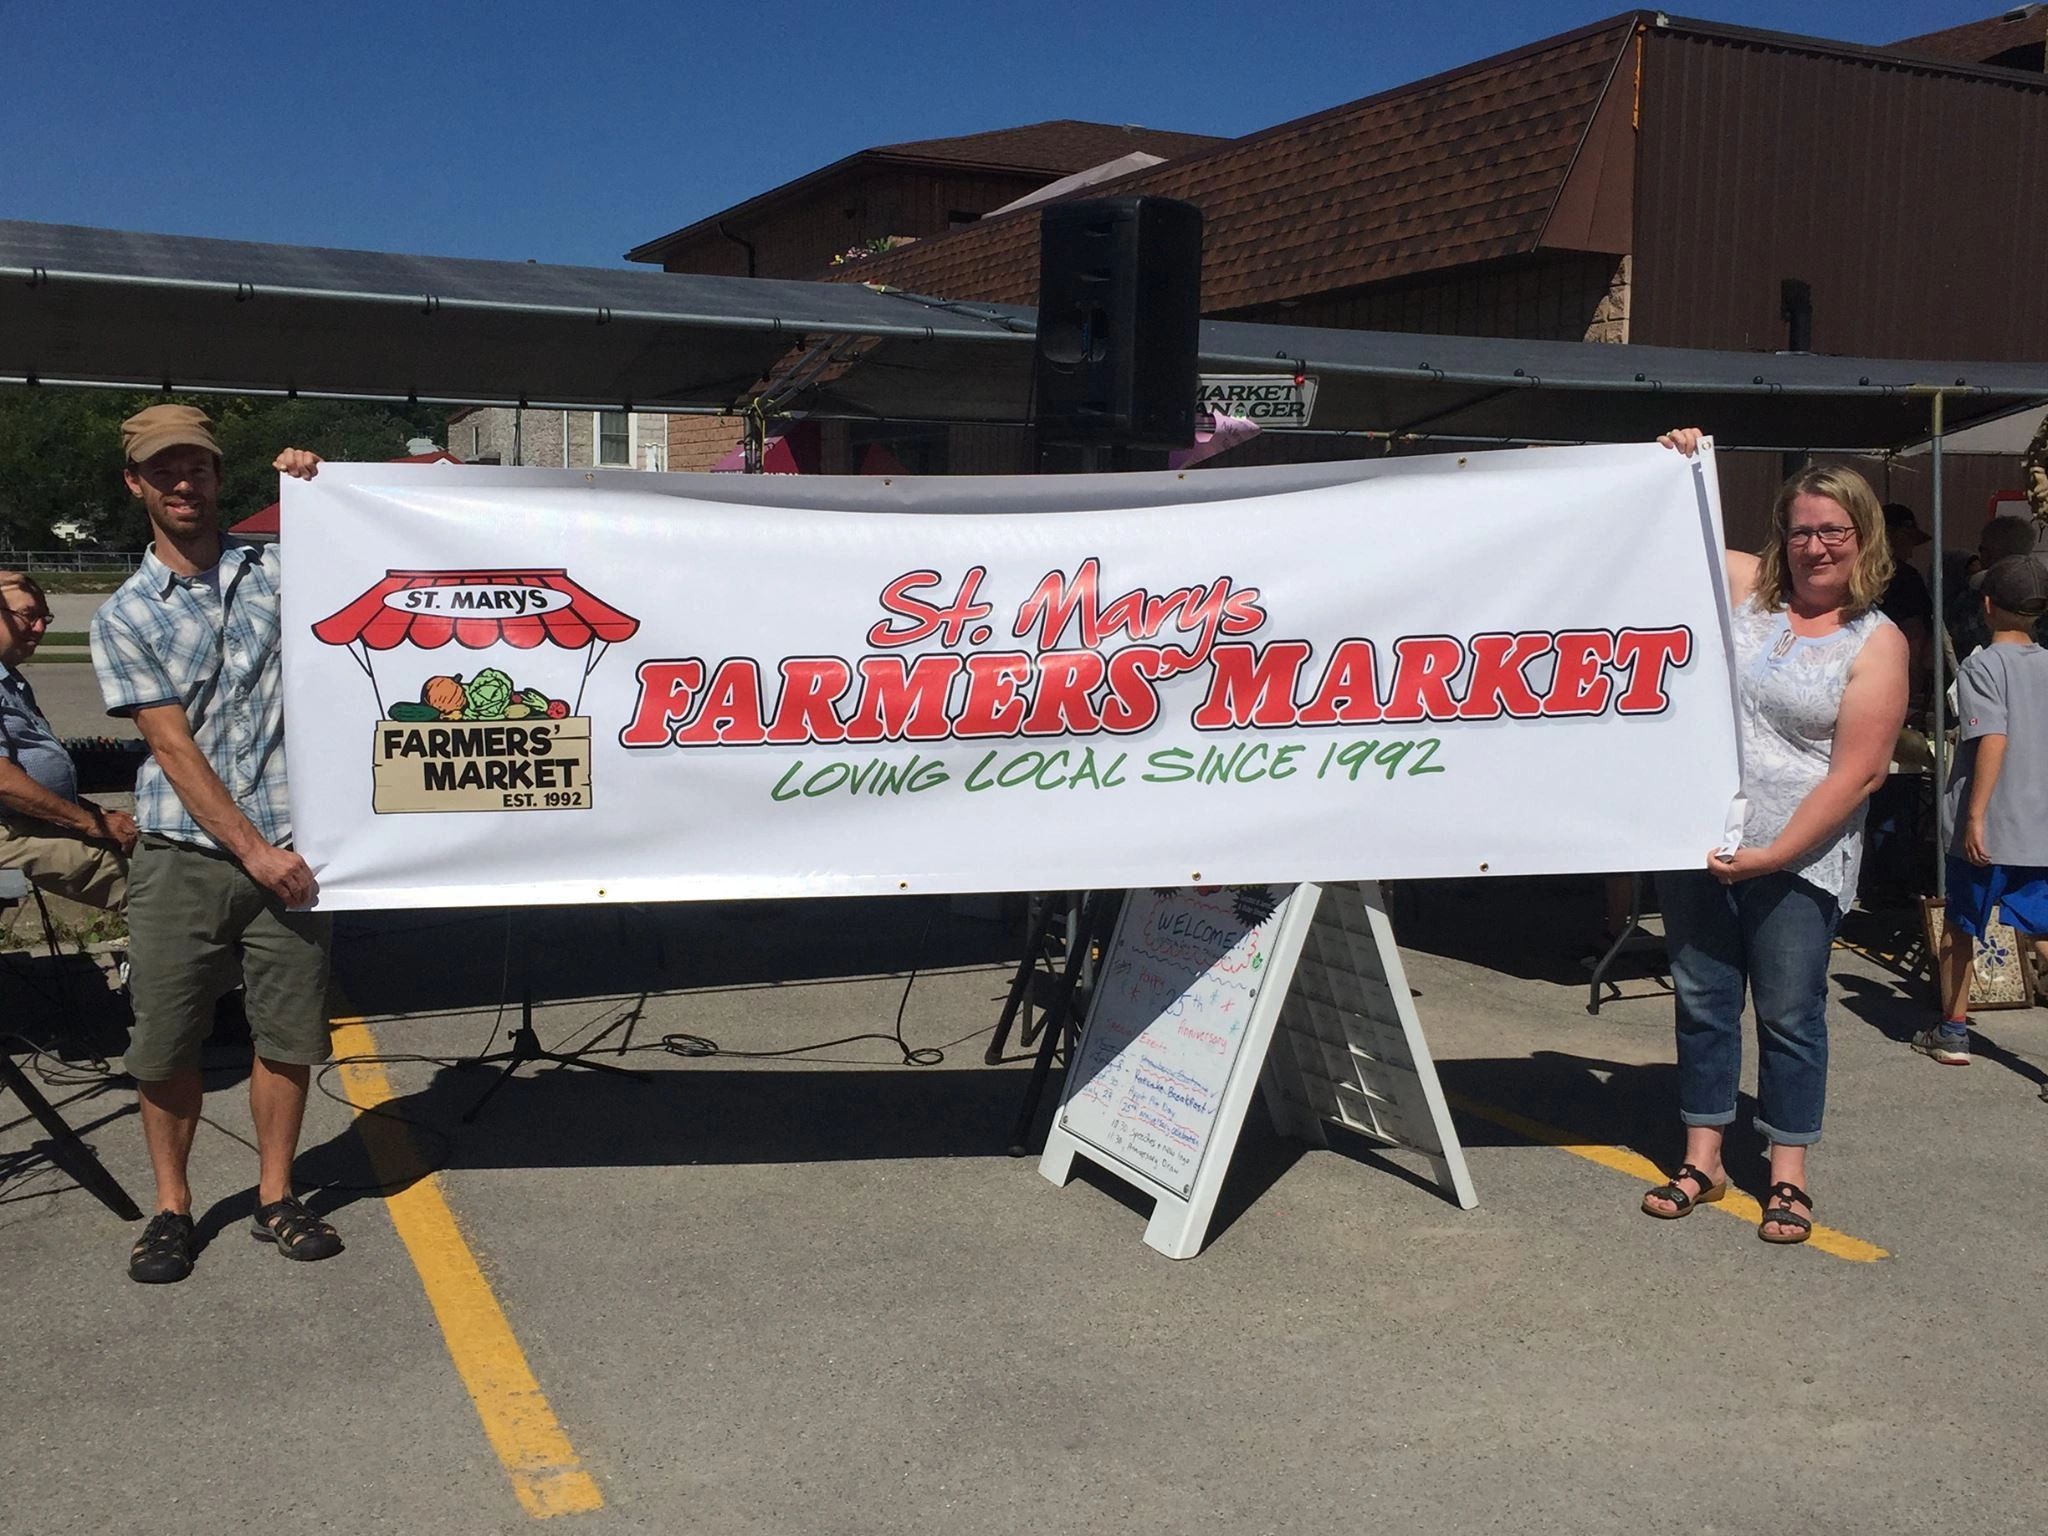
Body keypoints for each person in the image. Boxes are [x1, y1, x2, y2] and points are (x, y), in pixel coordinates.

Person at [89, 404, 337, 1284]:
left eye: (195, 467)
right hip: (185, 855)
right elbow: (171, 746)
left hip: (292, 844)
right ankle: (172, 1206)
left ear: (218, 475)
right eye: (164, 471)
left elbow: (372, 554)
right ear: (137, 485)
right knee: (167, 1044)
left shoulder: (278, 570)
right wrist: (253, 853)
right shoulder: (124, 614)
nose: (183, 483)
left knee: (288, 1035)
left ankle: (277, 1193)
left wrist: (318, 486)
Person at [1641, 433, 1908, 1244]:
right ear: (1780, 537)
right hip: (1703, 839)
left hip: (1799, 859)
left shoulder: (1878, 641)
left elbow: (1855, 778)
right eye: (1801, 530)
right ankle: (1704, 1157)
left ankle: (1788, 1173)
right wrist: (1673, 459)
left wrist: (1775, 854)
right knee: (1702, 1001)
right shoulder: (1754, 592)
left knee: (1791, 1015)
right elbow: (1671, 523)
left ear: (1863, 538)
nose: (1815, 546)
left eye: (1833, 531)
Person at [1920, 556, 2048, 1066]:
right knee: (2041, 931)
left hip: (1991, 826)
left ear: (1988, 606)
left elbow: (1990, 735)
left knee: (1962, 926)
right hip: (2039, 825)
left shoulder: (1982, 665)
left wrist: (1975, 815)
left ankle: (1953, 1030)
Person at [1, 571, 137, 908]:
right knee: (141, 885)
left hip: (29, 820)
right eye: (28, 615)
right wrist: (90, 823)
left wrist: (96, 813)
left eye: (44, 618)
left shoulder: (11, 682)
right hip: (9, 830)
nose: (40, 628)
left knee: (149, 856)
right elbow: (4, 782)